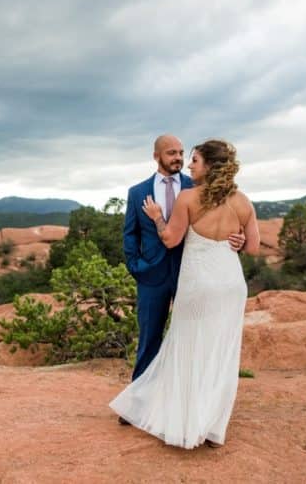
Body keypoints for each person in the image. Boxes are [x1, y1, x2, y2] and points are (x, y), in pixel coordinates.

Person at [110, 139, 260, 449]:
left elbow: (169, 238)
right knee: (219, 351)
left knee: (186, 348)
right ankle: (211, 426)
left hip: (196, 284)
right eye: (178, 155)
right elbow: (254, 247)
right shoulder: (243, 200)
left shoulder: (190, 194)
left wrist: (157, 218)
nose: (187, 163)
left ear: (209, 166)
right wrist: (239, 237)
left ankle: (183, 419)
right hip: (228, 284)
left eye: (192, 159)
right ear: (157, 156)